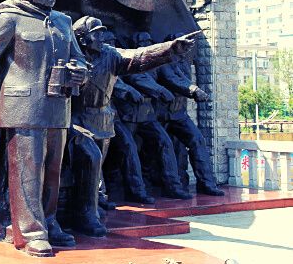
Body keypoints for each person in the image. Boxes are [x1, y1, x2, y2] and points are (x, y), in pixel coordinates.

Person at [0, 0, 87, 257]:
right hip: (22, 105)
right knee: (28, 171)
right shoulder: (10, 18)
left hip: (57, 105)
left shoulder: (63, 22)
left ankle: (50, 221)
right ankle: (31, 232)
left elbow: (79, 58)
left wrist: (79, 71)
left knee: (53, 170)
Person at [66, 16, 196, 237]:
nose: (102, 37)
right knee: (90, 158)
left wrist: (170, 50)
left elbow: (139, 56)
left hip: (102, 120)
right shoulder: (69, 53)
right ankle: (84, 214)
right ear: (82, 39)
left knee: (94, 168)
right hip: (75, 120)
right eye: (96, 33)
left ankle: (91, 206)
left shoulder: (110, 54)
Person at [121, 32, 192, 199]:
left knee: (164, 142)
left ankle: (173, 186)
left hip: (148, 115)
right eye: (142, 41)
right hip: (128, 116)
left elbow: (170, 77)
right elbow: (137, 79)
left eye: (148, 41)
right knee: (126, 151)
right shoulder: (127, 60)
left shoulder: (156, 64)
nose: (146, 44)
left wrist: (191, 89)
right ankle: (132, 191)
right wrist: (160, 91)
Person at [155, 33, 223, 196]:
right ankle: (173, 187)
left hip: (179, 114)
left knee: (197, 140)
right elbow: (172, 79)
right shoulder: (161, 60)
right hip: (160, 115)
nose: (187, 47)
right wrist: (193, 90)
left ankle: (207, 183)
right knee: (166, 147)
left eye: (188, 45)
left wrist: (194, 90)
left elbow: (181, 79)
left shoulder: (183, 62)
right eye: (184, 44)